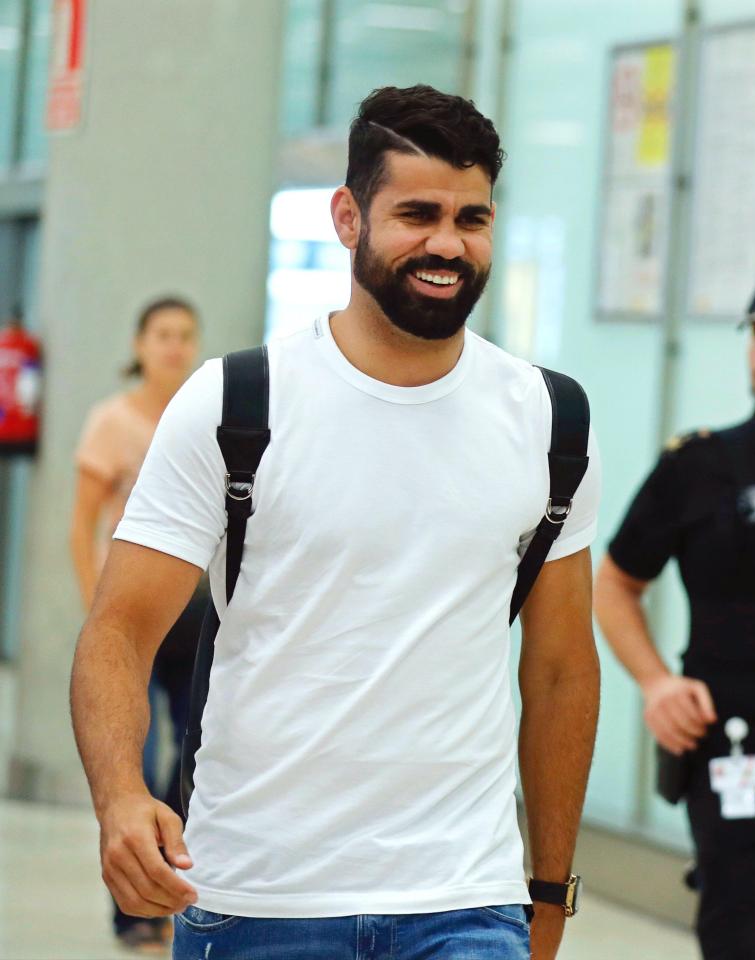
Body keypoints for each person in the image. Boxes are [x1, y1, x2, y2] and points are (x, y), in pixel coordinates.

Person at [70, 85, 601, 960]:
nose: (446, 243)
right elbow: (119, 631)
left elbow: (558, 673)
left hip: (465, 898)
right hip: (258, 899)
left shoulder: (550, 420)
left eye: (473, 218)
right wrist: (121, 798)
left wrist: (547, 894)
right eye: (417, 213)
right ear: (348, 217)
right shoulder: (239, 402)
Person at [594, 277, 755, 960]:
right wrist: (656, 683)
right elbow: (614, 585)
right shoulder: (699, 465)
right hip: (732, 746)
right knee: (744, 926)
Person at [70, 295, 205, 953]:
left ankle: (171, 892)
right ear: (140, 344)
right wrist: (97, 612)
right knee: (138, 764)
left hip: (195, 616)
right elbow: (82, 523)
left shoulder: (205, 419)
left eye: (185, 336)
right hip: (131, 617)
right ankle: (131, 910)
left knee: (192, 758)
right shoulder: (112, 423)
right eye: (162, 335)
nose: (174, 347)